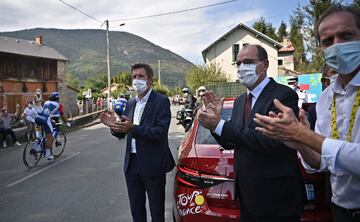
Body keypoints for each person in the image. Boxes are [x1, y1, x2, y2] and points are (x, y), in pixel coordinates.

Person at [254, 6, 360, 222]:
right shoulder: (326, 98)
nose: (337, 45)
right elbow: (320, 162)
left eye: (346, 35)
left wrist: (305, 136)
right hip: (340, 210)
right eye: (328, 41)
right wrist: (299, 141)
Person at [198, 44, 305, 222]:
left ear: (264, 65)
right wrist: (214, 124)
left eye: (247, 62)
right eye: (238, 63)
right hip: (247, 197)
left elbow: (269, 142)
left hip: (277, 198)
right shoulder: (240, 101)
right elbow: (231, 141)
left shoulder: (283, 96)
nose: (241, 67)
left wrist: (220, 125)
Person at [100, 63, 175, 222]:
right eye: (134, 77)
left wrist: (133, 127)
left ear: (150, 80)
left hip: (153, 164)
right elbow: (123, 133)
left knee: (156, 211)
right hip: (132, 164)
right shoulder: (130, 103)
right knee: (136, 210)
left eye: (140, 76)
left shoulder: (161, 101)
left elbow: (160, 133)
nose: (136, 80)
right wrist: (114, 126)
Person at [34, 92, 63, 159]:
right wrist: (66, 122)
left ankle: (38, 142)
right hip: (46, 119)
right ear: (57, 98)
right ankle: (47, 154)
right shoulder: (58, 104)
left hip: (38, 117)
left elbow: (46, 111)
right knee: (50, 138)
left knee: (43, 135)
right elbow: (62, 115)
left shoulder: (46, 102)